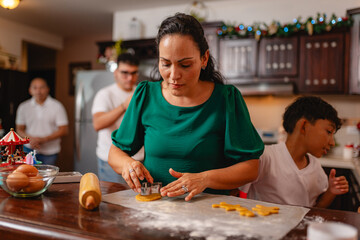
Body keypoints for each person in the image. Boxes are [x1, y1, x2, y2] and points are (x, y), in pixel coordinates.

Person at [108, 13, 264, 201]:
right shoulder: (146, 95)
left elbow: (250, 168)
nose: (174, 75)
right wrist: (127, 164)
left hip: (210, 212)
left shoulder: (226, 99)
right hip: (154, 210)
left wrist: (204, 178)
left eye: (185, 65)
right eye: (165, 64)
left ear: (204, 59)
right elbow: (115, 152)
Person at [244, 96, 349, 208]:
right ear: (304, 126)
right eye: (328, 131)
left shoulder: (316, 167)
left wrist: (331, 192)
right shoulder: (266, 157)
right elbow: (237, 194)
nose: (332, 142)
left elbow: (316, 210)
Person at [92, 53, 144, 183]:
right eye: (125, 73)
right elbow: (97, 124)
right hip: (111, 160)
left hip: (140, 158)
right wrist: (124, 106)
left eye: (134, 73)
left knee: (139, 201)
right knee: (112, 200)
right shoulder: (105, 94)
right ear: (115, 72)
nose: (129, 78)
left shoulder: (141, 92)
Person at [16, 77, 68, 165]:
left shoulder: (57, 106)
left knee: (47, 178)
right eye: (35, 88)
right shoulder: (23, 107)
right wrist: (30, 140)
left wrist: (44, 139)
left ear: (47, 89)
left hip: (50, 152)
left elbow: (64, 130)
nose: (38, 91)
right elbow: (19, 129)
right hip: (28, 150)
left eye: (41, 87)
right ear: (30, 90)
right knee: (27, 176)